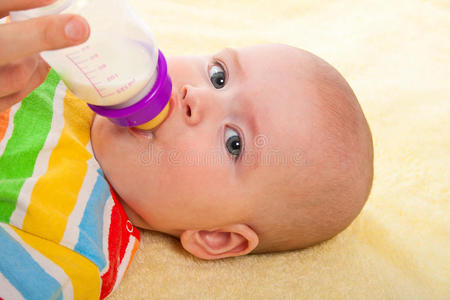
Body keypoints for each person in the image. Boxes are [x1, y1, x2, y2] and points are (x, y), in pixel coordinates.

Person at [0, 0, 374, 298]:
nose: (194, 96)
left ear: (217, 236)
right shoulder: (70, 64)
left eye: (234, 143)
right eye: (218, 75)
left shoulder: (70, 249)